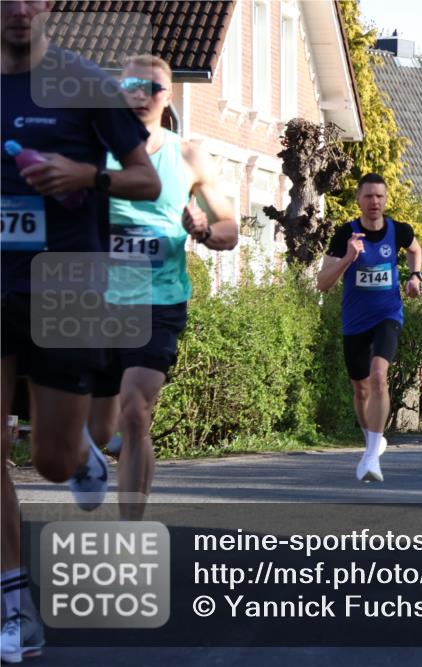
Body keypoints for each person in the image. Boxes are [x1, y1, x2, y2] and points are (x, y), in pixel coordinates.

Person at [2, 2, 160, 661]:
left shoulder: (85, 83)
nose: (16, 10)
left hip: (66, 285)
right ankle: (14, 603)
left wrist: (85, 176)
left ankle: (83, 459)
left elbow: (146, 179)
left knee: (51, 460)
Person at [86, 55, 238, 521]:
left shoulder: (189, 155)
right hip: (98, 302)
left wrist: (204, 231)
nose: (139, 94)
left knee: (136, 412)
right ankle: (92, 450)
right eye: (130, 85)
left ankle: (129, 531)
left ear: (166, 97)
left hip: (160, 300)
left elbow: (230, 227)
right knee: (98, 427)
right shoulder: (93, 152)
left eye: (151, 88)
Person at [317, 173, 422, 482]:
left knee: (379, 376)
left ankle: (372, 456)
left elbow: (415, 250)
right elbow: (323, 284)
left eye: (379, 196)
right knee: (360, 388)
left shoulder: (399, 231)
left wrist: (416, 277)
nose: (374, 202)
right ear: (358, 200)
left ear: (385, 200)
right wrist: (348, 258)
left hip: (388, 314)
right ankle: (371, 443)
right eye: (368, 196)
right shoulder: (344, 234)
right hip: (354, 321)